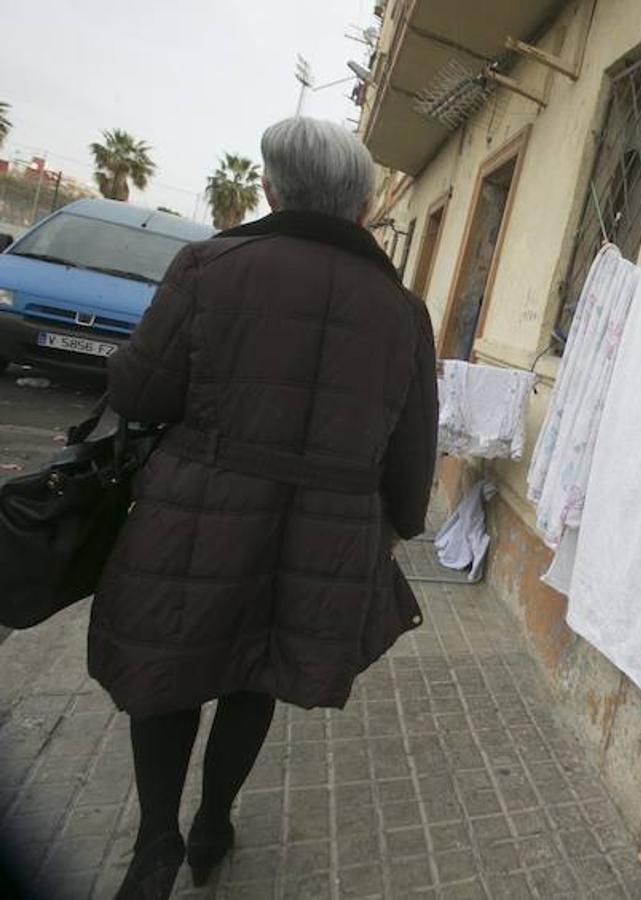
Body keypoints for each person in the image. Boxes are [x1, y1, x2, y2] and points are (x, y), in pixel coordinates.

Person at [89, 117, 438, 899]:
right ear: (362, 207)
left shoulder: (208, 266)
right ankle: (214, 824)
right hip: (325, 537)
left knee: (169, 673)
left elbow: (141, 393)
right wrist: (399, 525)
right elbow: (413, 454)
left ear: (272, 189)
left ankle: (156, 844)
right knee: (254, 675)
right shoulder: (401, 311)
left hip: (195, 513)